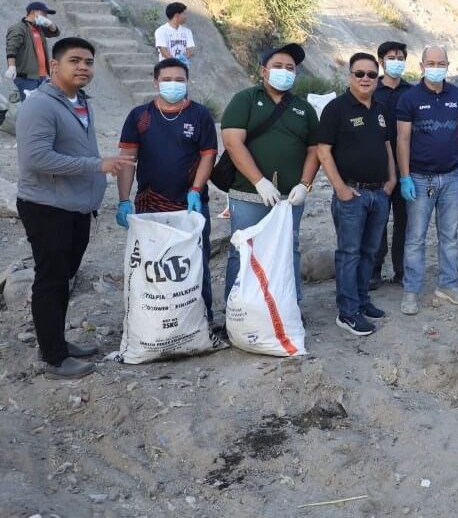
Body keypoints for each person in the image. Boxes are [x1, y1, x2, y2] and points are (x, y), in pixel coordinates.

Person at [16, 38, 134, 379]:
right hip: (47, 206)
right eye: (75, 60)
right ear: (55, 66)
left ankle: (55, 341)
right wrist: (96, 166)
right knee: (51, 279)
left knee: (64, 278)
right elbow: (35, 158)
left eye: (88, 61)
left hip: (77, 207)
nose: (83, 66)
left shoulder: (80, 101)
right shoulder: (39, 105)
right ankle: (53, 358)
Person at [116, 59, 218, 321]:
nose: (174, 84)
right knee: (153, 265)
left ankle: (201, 321)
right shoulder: (140, 116)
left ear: (187, 82)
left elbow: (208, 155)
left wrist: (196, 189)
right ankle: (155, 321)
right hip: (150, 205)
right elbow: (128, 158)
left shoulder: (200, 114)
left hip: (191, 205)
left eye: (180, 80)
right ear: (155, 82)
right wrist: (123, 200)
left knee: (195, 263)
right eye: (167, 79)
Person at [220, 43, 320, 305]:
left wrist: (305, 185)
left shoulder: (304, 108)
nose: (284, 72)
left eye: (290, 68)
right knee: (242, 250)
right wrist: (259, 181)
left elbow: (315, 150)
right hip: (248, 194)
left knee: (288, 251)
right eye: (278, 66)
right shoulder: (246, 99)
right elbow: (232, 141)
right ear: (263, 71)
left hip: (289, 198)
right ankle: (236, 311)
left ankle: (289, 309)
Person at [317, 53, 395, 336]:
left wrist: (392, 179)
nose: (365, 79)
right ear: (350, 75)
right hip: (352, 194)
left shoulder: (382, 108)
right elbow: (323, 151)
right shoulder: (336, 109)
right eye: (359, 73)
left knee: (369, 252)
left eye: (371, 75)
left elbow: (386, 146)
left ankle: (362, 301)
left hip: (379, 194)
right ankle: (347, 313)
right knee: (349, 253)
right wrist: (340, 188)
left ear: (378, 77)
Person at [396, 45, 458, 315]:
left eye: (440, 62)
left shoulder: (457, 95)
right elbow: (403, 139)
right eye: (430, 62)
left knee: (449, 235)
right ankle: (411, 291)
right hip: (419, 178)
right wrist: (405, 176)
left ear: (447, 64)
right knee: (416, 237)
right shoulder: (409, 98)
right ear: (421, 66)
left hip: (452, 177)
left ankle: (449, 284)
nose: (436, 66)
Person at [371, 40, 411, 286]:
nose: (396, 62)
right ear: (381, 62)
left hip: (407, 166)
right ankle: (375, 269)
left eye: (400, 57)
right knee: (377, 219)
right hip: (378, 166)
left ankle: (401, 269)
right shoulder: (371, 90)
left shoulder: (413, 92)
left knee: (404, 220)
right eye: (391, 57)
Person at [6, 1, 60, 100]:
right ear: (35, 12)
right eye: (44, 14)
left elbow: (55, 33)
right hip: (26, 77)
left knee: (41, 105)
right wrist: (12, 66)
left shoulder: (39, 29)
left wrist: (50, 23)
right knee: (30, 107)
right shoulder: (19, 28)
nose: (46, 17)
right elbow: (11, 48)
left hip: (42, 76)